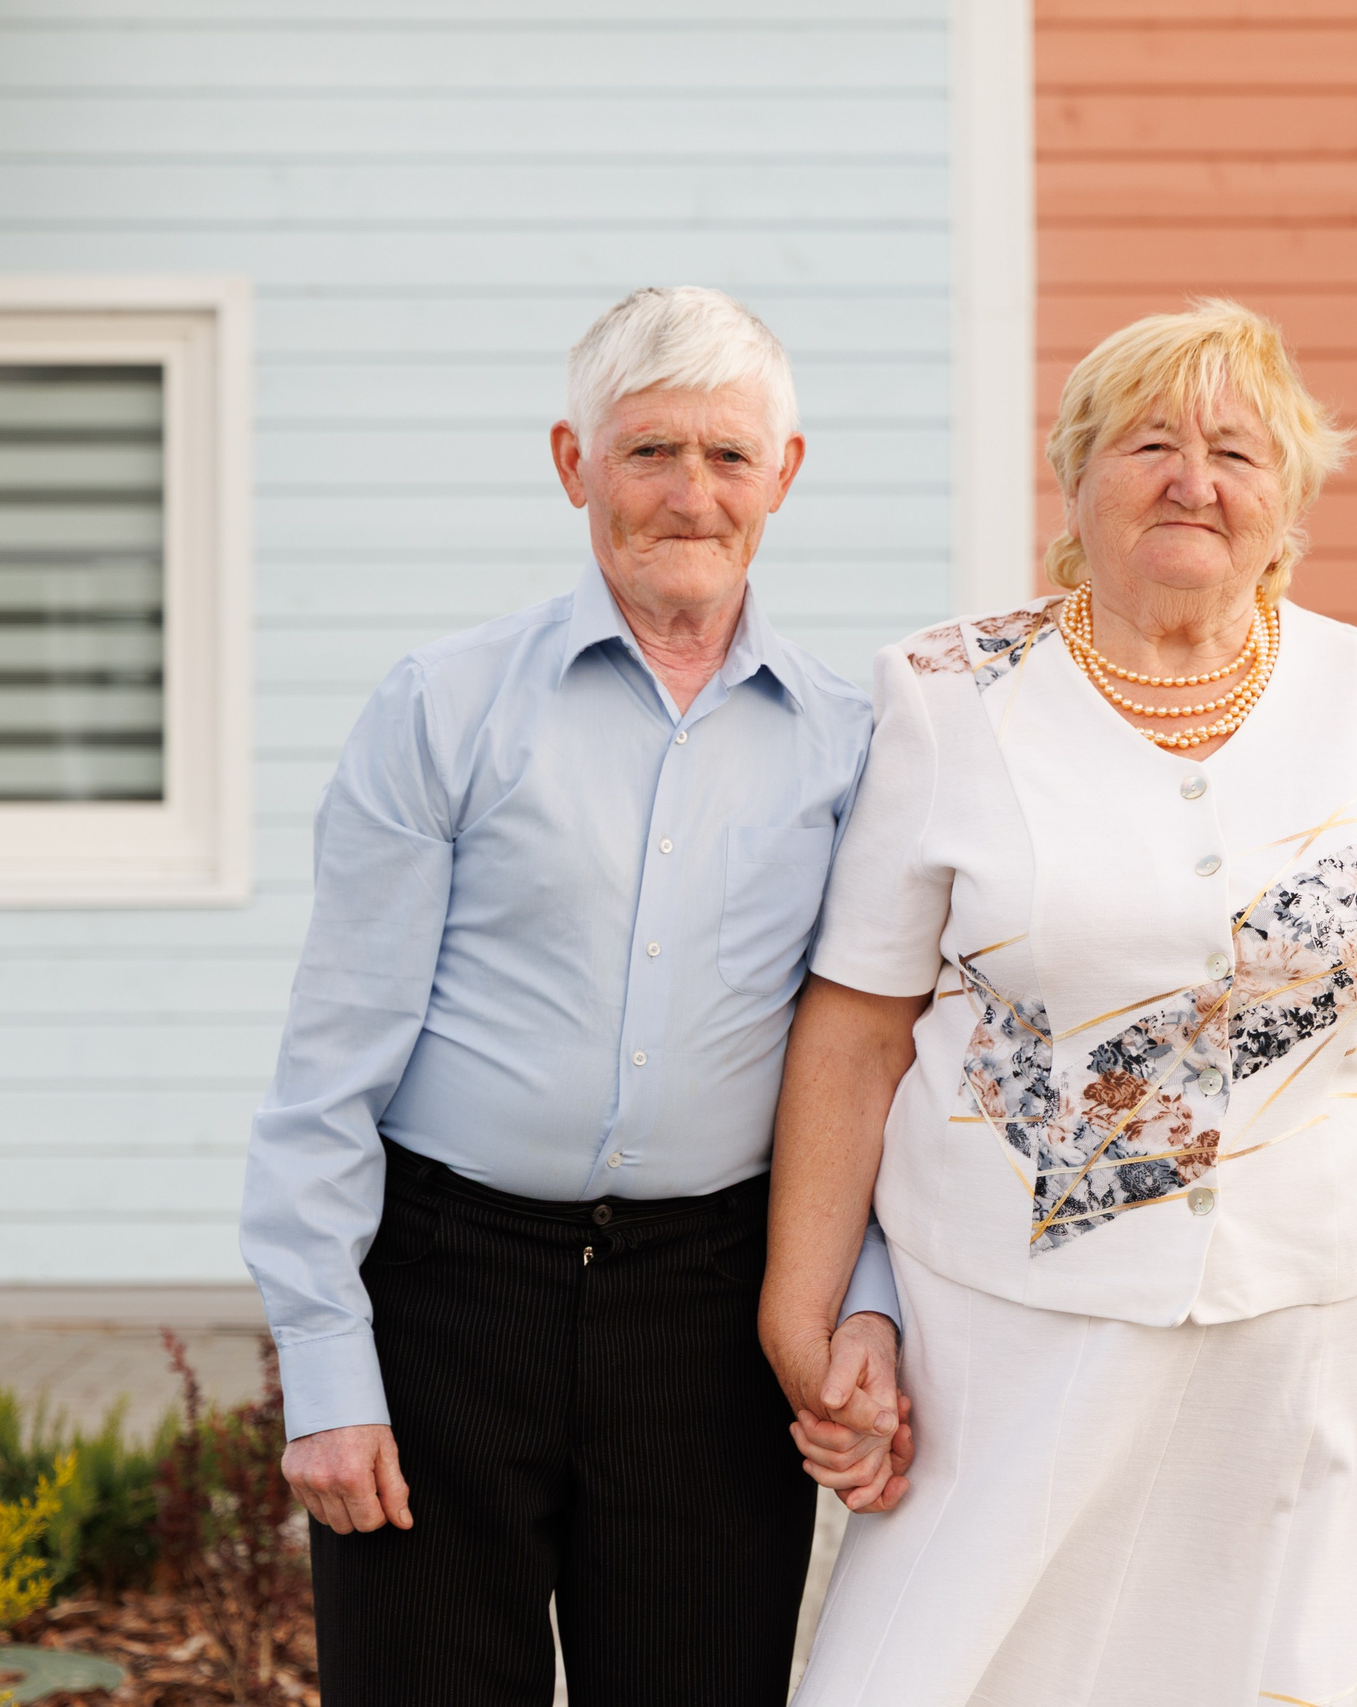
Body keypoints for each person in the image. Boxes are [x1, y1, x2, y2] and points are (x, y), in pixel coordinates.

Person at [762, 299, 1357, 1707]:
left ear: (1290, 501)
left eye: (1236, 453)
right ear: (1074, 478)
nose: (1192, 480)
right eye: (1149, 442)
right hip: (1009, 1326)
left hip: (1328, 1328)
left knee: (1288, 1681)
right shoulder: (948, 692)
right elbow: (855, 1029)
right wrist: (805, 1310)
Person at [241, 286, 911, 1707]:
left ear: (784, 477)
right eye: (649, 450)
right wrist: (326, 1371)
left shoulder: (856, 747)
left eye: (729, 457)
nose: (690, 494)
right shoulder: (442, 708)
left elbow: (869, 1069)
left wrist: (869, 1308)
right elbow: (328, 1073)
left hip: (710, 1318)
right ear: (573, 463)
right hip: (446, 1300)